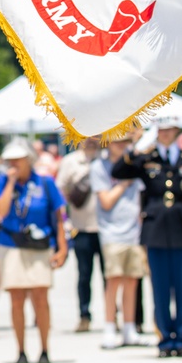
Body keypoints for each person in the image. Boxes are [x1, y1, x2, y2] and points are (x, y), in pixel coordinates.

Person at [112, 115, 182, 357]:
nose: (166, 134)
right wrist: (135, 148)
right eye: (162, 130)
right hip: (156, 229)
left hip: (181, 229)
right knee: (160, 288)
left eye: (170, 130)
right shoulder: (146, 158)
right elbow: (118, 170)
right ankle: (164, 338)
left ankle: (181, 338)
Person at [0, 139, 69, 363]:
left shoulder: (44, 182)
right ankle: (21, 351)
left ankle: (44, 349)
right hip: (12, 244)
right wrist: (10, 182)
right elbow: (1, 211)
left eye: (18, 160)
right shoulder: (3, 182)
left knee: (40, 297)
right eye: (9, 160)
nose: (13, 164)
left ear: (29, 160)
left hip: (39, 245)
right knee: (16, 298)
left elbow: (59, 215)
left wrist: (62, 247)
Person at [88, 133, 145, 348]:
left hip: (134, 232)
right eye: (118, 141)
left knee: (132, 281)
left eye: (125, 142)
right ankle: (110, 326)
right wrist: (123, 183)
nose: (122, 146)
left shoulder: (134, 164)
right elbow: (106, 201)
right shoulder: (99, 167)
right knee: (113, 281)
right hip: (112, 232)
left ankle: (130, 327)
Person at [56, 136, 102, 333]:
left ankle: (113, 316)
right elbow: (60, 189)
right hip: (81, 226)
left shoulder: (106, 158)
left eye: (96, 137)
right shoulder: (71, 162)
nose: (92, 141)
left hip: (106, 228)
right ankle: (84, 315)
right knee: (84, 275)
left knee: (111, 275)